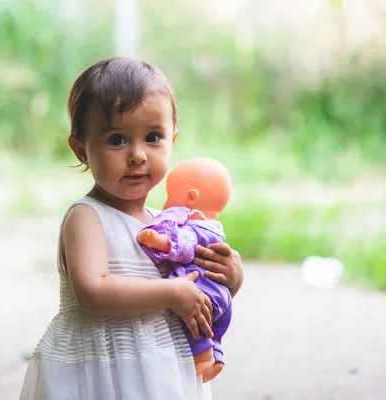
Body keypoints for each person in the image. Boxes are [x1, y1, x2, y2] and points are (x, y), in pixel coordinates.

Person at [19, 57, 244, 400]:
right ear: (81, 150)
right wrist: (172, 294)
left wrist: (228, 278)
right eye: (117, 140)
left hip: (162, 368)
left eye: (153, 137)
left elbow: (194, 288)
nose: (138, 155)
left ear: (173, 139)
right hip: (101, 367)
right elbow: (92, 292)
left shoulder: (168, 224)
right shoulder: (87, 217)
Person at [137, 157, 233, 383]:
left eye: (170, 196)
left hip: (202, 290)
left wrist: (161, 242)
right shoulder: (215, 228)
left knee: (192, 322)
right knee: (214, 330)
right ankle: (216, 357)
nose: (166, 202)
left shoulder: (195, 227)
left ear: (190, 198)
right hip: (220, 294)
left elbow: (185, 245)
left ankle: (203, 357)